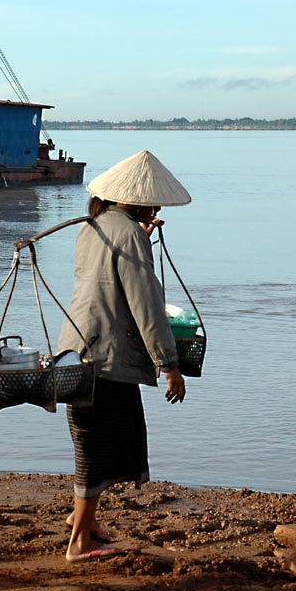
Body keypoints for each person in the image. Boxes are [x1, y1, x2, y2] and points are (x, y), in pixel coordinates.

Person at [56, 149, 190, 563]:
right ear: (138, 200)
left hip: (75, 350)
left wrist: (140, 239)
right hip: (105, 361)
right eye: (152, 200)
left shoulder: (93, 226)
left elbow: (106, 280)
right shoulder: (128, 233)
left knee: (112, 441)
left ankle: (85, 521)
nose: (156, 206)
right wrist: (169, 364)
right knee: (96, 450)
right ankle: (79, 542)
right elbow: (144, 303)